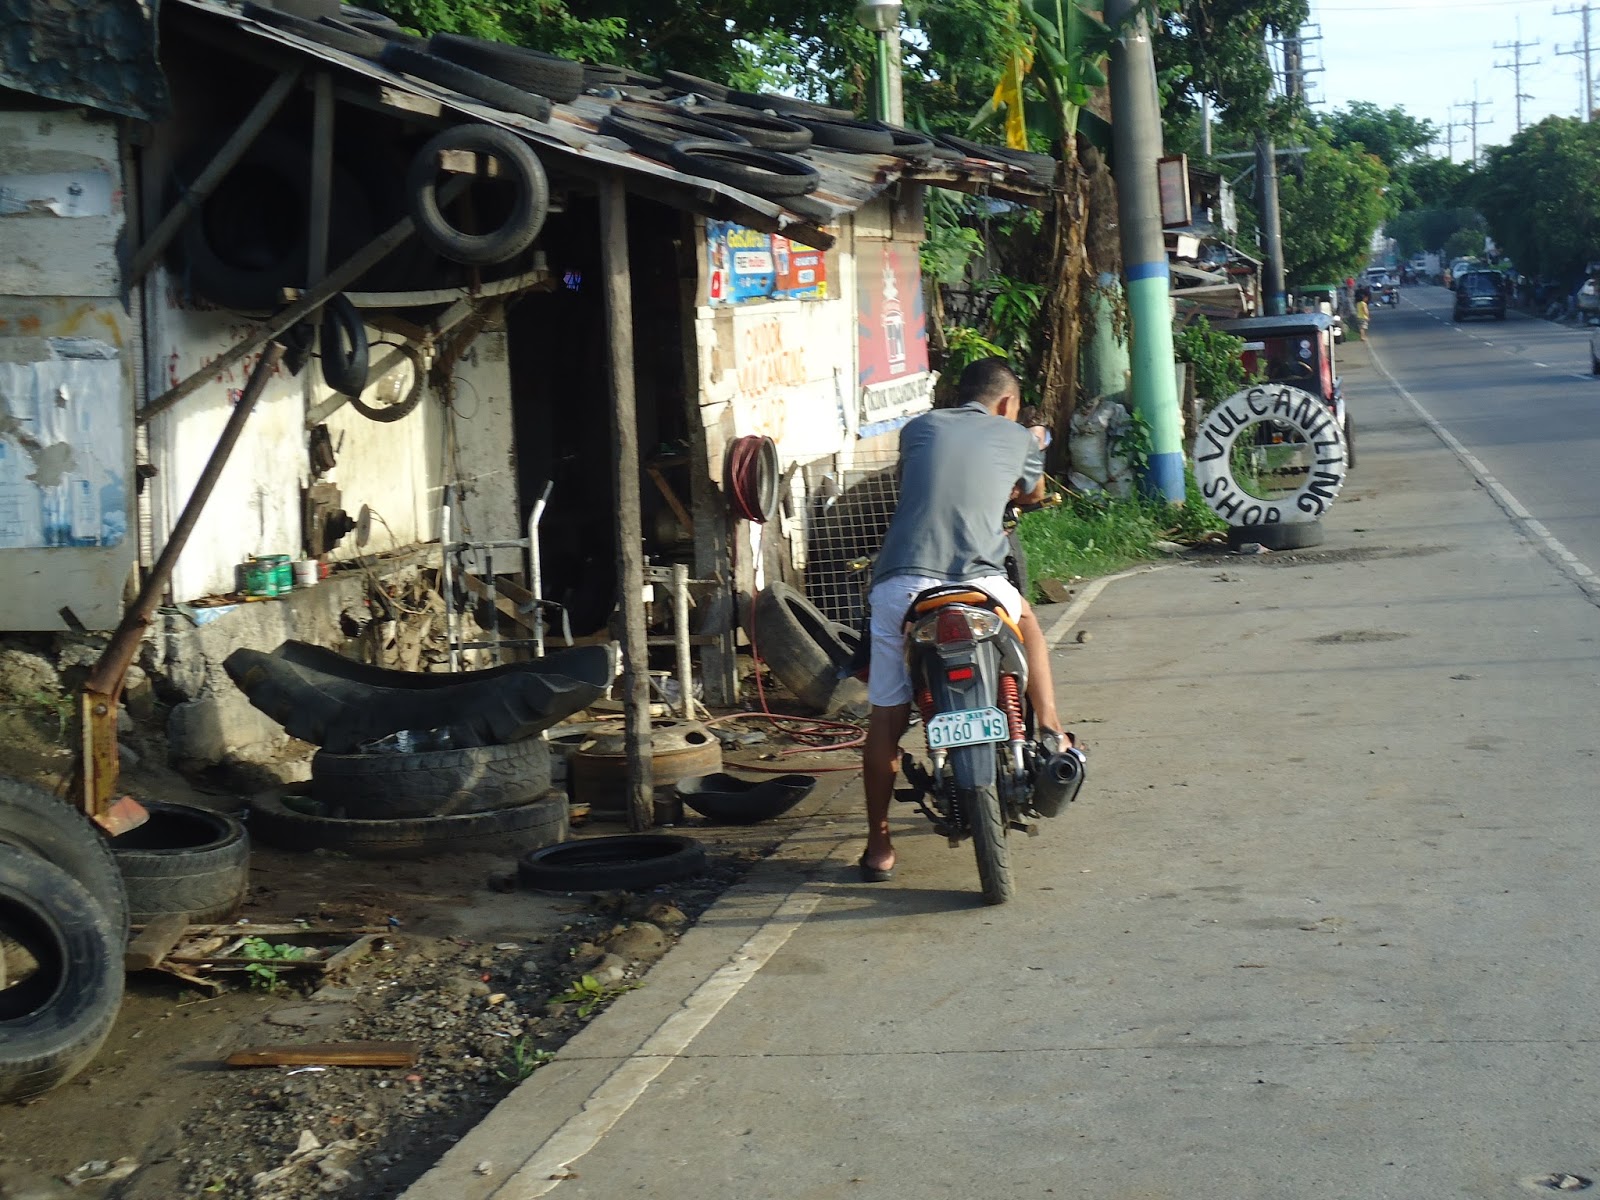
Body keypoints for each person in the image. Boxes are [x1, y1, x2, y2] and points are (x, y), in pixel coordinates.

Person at [859, 358, 1074, 882]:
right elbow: (1033, 494)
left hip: (901, 586)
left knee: (886, 718)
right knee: (1027, 624)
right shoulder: (1017, 435)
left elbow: (919, 482)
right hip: (978, 583)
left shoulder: (917, 429)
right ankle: (1053, 731)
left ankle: (878, 843)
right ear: (1006, 404)